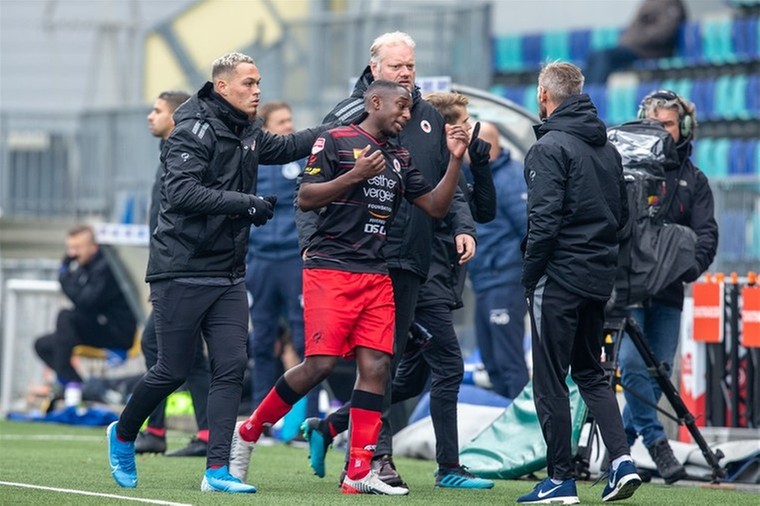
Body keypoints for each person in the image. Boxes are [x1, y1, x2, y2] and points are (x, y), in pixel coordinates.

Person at [227, 79, 470, 496]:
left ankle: (359, 470)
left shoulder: (399, 156)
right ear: (375, 102)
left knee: (376, 368)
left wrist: (455, 161)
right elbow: (305, 197)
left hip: (376, 274)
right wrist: (355, 175)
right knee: (319, 366)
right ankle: (248, 431)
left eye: (410, 110)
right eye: (401, 108)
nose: (407, 116)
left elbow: (434, 206)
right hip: (331, 269)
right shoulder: (335, 140)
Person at [106, 51, 330, 494]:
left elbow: (287, 146)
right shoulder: (192, 128)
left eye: (259, 82)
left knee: (230, 367)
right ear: (223, 87)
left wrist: (347, 121)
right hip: (181, 268)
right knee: (171, 369)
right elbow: (183, 192)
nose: (257, 90)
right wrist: (244, 204)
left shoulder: (248, 131)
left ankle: (216, 471)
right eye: (248, 83)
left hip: (228, 273)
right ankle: (124, 432)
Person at [295, 30, 476, 489]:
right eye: (397, 66)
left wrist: (463, 226)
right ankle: (375, 457)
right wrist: (308, 246)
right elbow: (309, 189)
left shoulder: (430, 117)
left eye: (411, 66)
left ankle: (351, 441)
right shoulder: (347, 115)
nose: (406, 74)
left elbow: (438, 186)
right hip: (357, 258)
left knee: (388, 364)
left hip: (413, 257)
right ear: (375, 68)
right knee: (371, 364)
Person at [518, 62, 640, 504]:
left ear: (544, 96)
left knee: (550, 378)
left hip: (558, 277)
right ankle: (623, 462)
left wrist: (530, 276)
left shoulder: (549, 146)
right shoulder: (607, 150)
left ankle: (559, 479)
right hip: (597, 277)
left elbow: (543, 221)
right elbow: (624, 221)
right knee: (591, 373)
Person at [618, 90, 718, 484]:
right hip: (628, 290)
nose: (661, 131)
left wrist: (687, 268)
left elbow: (706, 235)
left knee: (656, 373)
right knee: (631, 365)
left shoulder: (696, 181)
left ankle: (619, 450)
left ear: (684, 129)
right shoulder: (623, 168)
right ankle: (657, 443)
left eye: (669, 124)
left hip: (669, 293)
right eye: (655, 123)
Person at [134, 90, 213, 458]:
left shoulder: (185, 157)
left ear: (175, 116)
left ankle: (162, 430)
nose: (151, 116)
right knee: (186, 355)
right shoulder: (168, 155)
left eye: (157, 110)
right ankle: (196, 432)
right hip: (171, 271)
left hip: (183, 272)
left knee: (158, 346)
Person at [244, 101, 318, 423]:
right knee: (261, 342)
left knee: (307, 342)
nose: (289, 126)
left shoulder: (304, 160)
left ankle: (307, 419)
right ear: (265, 128)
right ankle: (263, 420)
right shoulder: (251, 162)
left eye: (291, 119)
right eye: (282, 121)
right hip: (259, 262)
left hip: (293, 259)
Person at [465, 121, 530, 401]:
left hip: (505, 280)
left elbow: (529, 229)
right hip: (485, 282)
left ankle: (526, 425)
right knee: (491, 362)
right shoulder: (477, 177)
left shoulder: (510, 178)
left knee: (508, 360)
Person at [34, 225, 137, 402]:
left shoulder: (106, 268)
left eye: (77, 248)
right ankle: (80, 385)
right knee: (43, 345)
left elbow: (85, 302)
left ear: (93, 247)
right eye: (69, 248)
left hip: (116, 332)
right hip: (97, 326)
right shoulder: (85, 267)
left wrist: (64, 276)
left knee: (66, 317)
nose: (71, 253)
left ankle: (72, 385)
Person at [585, 0, 686, 84]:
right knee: (594, 55)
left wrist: (639, 39)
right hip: (634, 48)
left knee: (603, 56)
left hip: (647, 51)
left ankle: (595, 94)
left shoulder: (669, 3)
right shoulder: (649, 2)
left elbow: (665, 31)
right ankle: (585, 94)